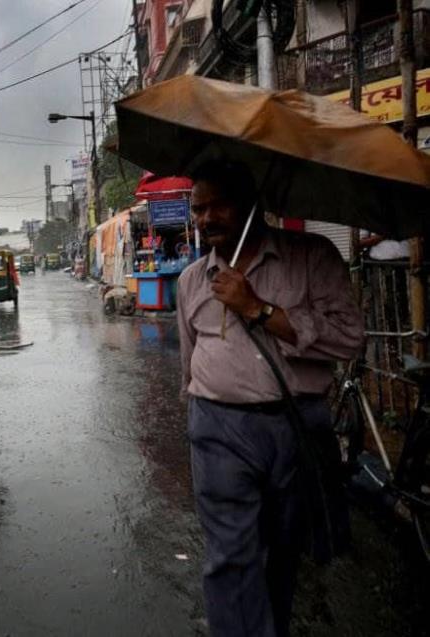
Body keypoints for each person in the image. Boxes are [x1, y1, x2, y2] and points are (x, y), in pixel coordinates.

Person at [176, 160, 364, 637]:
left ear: (251, 203)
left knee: (283, 554)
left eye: (218, 205)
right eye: (199, 208)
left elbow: (349, 339)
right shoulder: (192, 281)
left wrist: (258, 309)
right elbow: (189, 358)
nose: (206, 218)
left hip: (296, 426)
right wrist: (196, 415)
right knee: (232, 561)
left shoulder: (311, 257)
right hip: (217, 428)